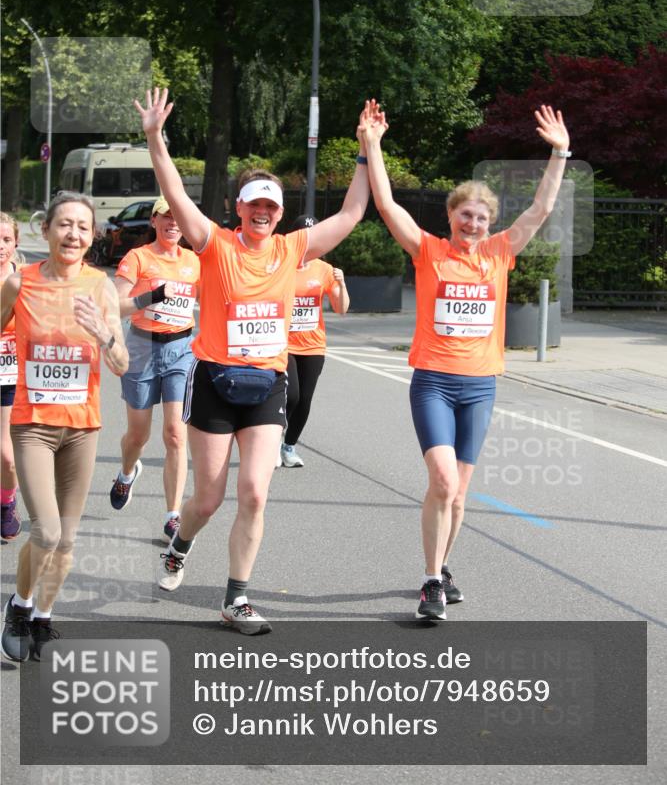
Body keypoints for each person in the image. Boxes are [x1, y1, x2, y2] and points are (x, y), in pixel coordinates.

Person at [135, 87, 373, 634]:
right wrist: (154, 136)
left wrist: (366, 149)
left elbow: (354, 211)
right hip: (215, 381)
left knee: (256, 492)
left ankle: (236, 598)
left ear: (280, 214)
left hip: (266, 383)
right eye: (254, 205)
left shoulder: (293, 250)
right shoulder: (213, 243)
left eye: (271, 207)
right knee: (210, 498)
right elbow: (173, 189)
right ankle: (182, 542)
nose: (263, 214)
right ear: (239, 209)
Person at [361, 104, 571, 621]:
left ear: (489, 224)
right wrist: (373, 145)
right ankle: (431, 582)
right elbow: (386, 205)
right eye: (465, 215)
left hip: (481, 386)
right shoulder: (429, 251)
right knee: (443, 483)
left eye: (481, 217)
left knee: (459, 497)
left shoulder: (500, 253)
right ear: (450, 217)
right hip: (433, 381)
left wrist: (561, 152)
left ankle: (443, 566)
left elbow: (540, 210)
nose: (473, 223)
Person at [0, 193, 128, 662]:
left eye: (82, 227)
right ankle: (20, 604)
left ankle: (43, 616)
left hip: (81, 428)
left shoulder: (101, 287)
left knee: (68, 539)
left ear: (91, 236)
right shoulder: (20, 283)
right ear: (47, 230)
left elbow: (120, 363)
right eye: (64, 225)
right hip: (32, 423)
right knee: (48, 533)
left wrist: (105, 334)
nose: (73, 234)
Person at [109, 197, 200, 543]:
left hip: (181, 349)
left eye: (178, 217)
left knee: (176, 433)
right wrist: (150, 297)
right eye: (165, 217)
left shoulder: (195, 262)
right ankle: (127, 472)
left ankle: (173, 515)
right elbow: (114, 305)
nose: (173, 223)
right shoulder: (138, 258)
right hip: (142, 347)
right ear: (154, 221)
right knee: (138, 435)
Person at [279, 215, 349, 468]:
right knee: (291, 395)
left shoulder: (325, 269)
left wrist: (341, 284)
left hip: (313, 344)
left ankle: (289, 446)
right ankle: (273, 440)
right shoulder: (281, 265)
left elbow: (341, 308)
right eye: (304, 235)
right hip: (284, 343)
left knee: (305, 399)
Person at [1, 213, 22, 540]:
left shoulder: (22, 280)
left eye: (6, 240)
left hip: (10, 372)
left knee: (6, 453)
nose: (1, 246)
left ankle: (6, 502)